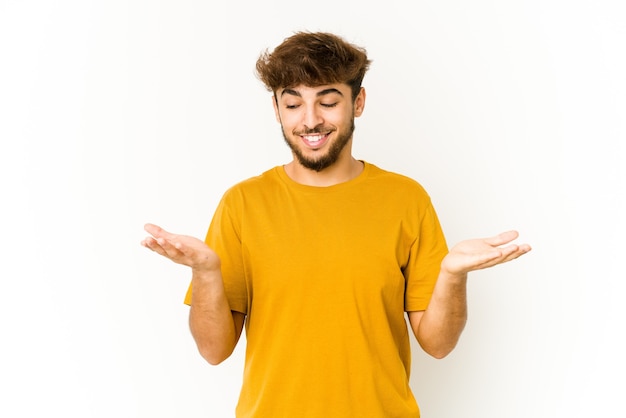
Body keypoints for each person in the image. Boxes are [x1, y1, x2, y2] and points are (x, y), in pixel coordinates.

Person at [141, 31, 531, 418]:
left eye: (328, 102)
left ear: (357, 102)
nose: (310, 120)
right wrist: (206, 272)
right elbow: (214, 351)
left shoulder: (406, 199)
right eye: (293, 104)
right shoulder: (242, 204)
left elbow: (439, 344)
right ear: (276, 109)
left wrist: (451, 274)